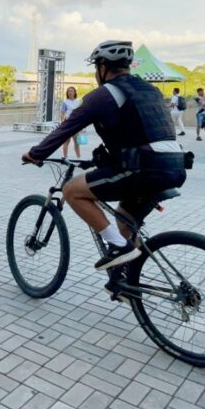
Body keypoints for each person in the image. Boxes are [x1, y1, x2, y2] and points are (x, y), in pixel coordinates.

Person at [22, 40, 186, 281]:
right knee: (126, 222)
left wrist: (35, 154)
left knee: (72, 190)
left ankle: (120, 248)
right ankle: (127, 284)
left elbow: (65, 128)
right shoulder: (150, 90)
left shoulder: (103, 95)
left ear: (102, 67)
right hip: (175, 165)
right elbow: (140, 129)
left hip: (142, 167)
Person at [60, 87, 83, 159]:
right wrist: (63, 123)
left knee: (77, 142)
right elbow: (62, 114)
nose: (70, 92)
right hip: (68, 123)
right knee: (66, 142)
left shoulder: (79, 101)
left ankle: (78, 158)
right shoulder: (65, 102)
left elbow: (82, 112)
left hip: (76, 124)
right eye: (68, 91)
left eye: (71, 91)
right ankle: (65, 158)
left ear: (75, 92)